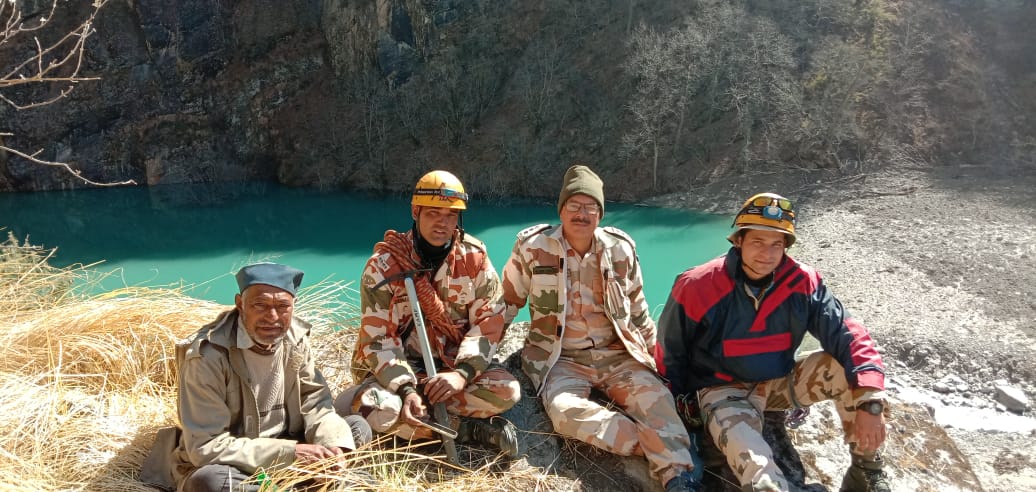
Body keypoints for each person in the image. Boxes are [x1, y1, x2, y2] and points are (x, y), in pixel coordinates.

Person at [657, 192, 891, 492]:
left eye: (776, 244)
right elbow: (670, 351)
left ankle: (866, 471)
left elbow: (850, 334)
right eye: (757, 242)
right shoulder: (698, 284)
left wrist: (871, 404)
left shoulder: (803, 283)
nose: (767, 254)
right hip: (723, 391)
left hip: (779, 384)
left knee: (843, 366)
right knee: (758, 468)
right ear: (738, 241)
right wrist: (681, 405)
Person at [500, 164, 702, 491]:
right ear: (561, 209)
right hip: (562, 361)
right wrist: (477, 356)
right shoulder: (533, 247)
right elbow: (506, 304)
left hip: (619, 357)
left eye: (590, 207)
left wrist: (661, 363)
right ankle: (659, 448)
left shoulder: (621, 249)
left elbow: (638, 311)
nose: (582, 214)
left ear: (601, 213)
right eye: (574, 206)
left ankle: (678, 480)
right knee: (565, 414)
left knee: (660, 402)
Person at [337, 170, 520, 457]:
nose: (442, 223)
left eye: (450, 215)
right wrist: (407, 389)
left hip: (449, 366)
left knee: (507, 391)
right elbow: (378, 340)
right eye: (434, 213)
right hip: (398, 373)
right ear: (415, 211)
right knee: (377, 406)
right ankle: (469, 430)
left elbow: (488, 323)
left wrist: (462, 374)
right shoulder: (384, 266)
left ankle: (418, 426)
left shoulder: (474, 258)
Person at [167, 262, 373, 492]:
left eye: (282, 306)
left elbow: (315, 402)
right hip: (242, 462)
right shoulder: (208, 356)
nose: (272, 316)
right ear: (240, 305)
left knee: (356, 427)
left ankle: (321, 479)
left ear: (293, 306)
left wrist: (333, 448)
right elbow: (205, 447)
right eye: (260, 305)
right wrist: (290, 453)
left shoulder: (295, 340)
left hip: (292, 452)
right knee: (209, 481)